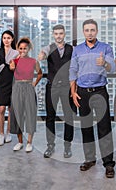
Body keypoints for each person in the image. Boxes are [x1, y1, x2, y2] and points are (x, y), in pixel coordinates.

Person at [69, 19, 116, 178]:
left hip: (100, 91)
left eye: (92, 30)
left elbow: (112, 68)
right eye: (87, 30)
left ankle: (109, 164)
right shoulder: (77, 50)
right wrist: (73, 92)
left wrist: (105, 63)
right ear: (84, 32)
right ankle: (89, 159)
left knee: (104, 128)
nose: (90, 33)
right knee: (86, 127)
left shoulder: (105, 48)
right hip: (82, 93)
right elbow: (73, 70)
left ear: (96, 31)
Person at [38, 24, 76, 158]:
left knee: (69, 116)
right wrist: (42, 55)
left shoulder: (72, 49)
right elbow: (42, 54)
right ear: (53, 35)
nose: (58, 36)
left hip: (67, 86)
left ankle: (67, 146)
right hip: (52, 86)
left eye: (61, 33)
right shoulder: (49, 48)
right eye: (56, 34)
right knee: (50, 116)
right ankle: (50, 145)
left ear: (64, 34)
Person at [9, 37, 42, 152]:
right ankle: (20, 142)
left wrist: (34, 84)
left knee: (30, 114)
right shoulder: (14, 61)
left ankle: (29, 142)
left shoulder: (34, 61)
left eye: (25, 49)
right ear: (18, 49)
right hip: (17, 88)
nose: (23, 51)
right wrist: (14, 62)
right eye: (20, 48)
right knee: (17, 114)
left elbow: (40, 74)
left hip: (28, 87)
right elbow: (11, 68)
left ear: (29, 49)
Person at [0, 30, 19, 146]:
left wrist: (14, 67)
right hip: (2, 83)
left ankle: (8, 133)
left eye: (8, 38)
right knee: (1, 109)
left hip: (13, 82)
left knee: (11, 109)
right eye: (4, 38)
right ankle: (1, 134)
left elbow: (19, 68)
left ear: (12, 39)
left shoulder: (16, 53)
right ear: (2, 40)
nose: (6, 40)